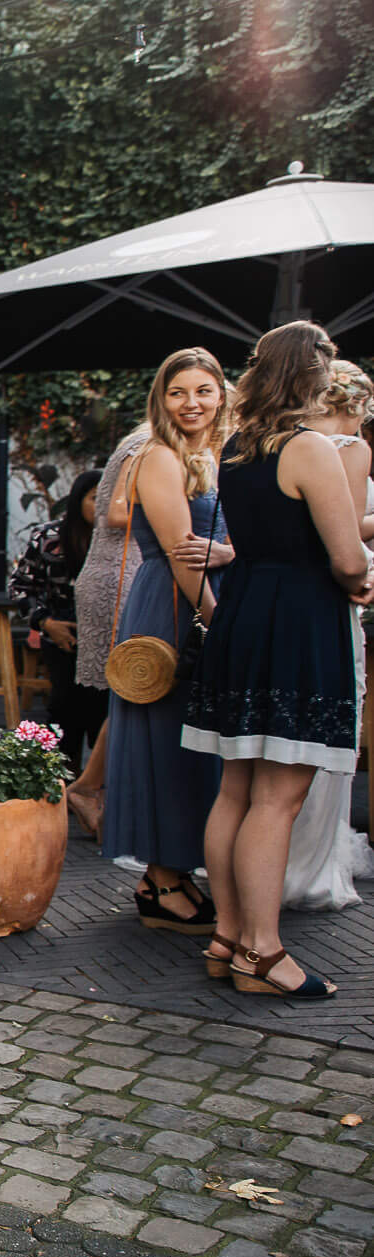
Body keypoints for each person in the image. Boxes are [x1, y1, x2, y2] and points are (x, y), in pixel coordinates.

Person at [188, 323, 372, 998]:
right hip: (298, 623)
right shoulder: (309, 448)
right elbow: (346, 557)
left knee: (236, 788)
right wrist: (360, 579)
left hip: (245, 615)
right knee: (278, 796)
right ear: (312, 375)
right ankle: (261, 953)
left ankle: (226, 937)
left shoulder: (237, 447)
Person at [102, 348, 231, 937]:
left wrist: (230, 557)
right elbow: (183, 555)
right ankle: (162, 878)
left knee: (201, 746)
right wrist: (216, 621)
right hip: (175, 608)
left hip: (209, 595)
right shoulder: (157, 456)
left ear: (222, 395)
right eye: (178, 392)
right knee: (169, 743)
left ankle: (171, 872)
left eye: (203, 390)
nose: (191, 403)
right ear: (162, 399)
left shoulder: (222, 453)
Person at [279, 359, 374, 912]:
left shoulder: (277, 443)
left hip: (279, 603)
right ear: (357, 404)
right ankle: (311, 868)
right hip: (331, 600)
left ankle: (278, 861)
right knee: (327, 734)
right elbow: (349, 534)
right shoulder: (350, 449)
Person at [68, 422, 155, 839]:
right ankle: (93, 788)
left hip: (133, 573)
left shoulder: (155, 441)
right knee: (138, 687)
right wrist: (177, 512)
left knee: (140, 690)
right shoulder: (146, 442)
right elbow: (117, 513)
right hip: (125, 577)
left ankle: (103, 792)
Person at [8, 469, 108, 767]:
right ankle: (60, 782)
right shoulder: (49, 536)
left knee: (105, 715)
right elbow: (19, 586)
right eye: (95, 498)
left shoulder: (123, 539)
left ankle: (100, 786)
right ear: (78, 500)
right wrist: (46, 623)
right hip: (63, 634)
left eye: (110, 498)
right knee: (65, 712)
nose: (103, 506)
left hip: (109, 637)